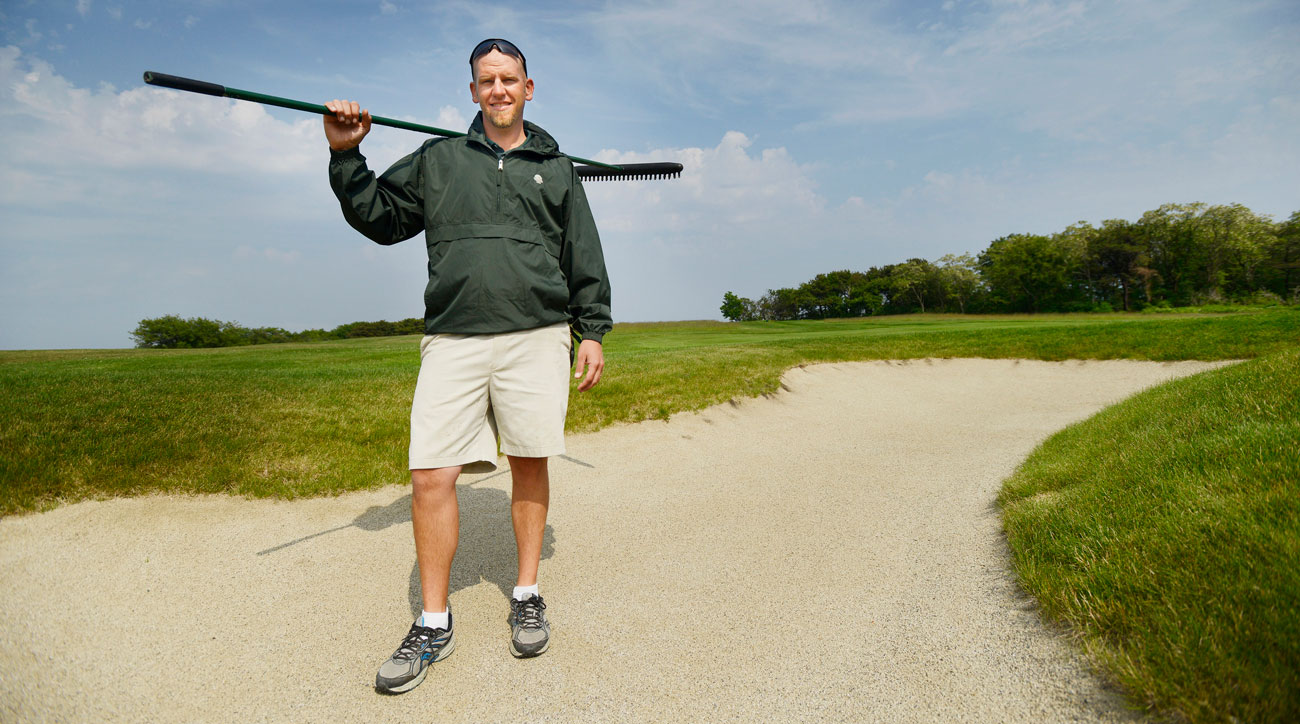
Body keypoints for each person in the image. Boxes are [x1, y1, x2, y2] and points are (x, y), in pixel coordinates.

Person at [323, 38, 611, 694]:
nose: (499, 89)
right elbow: (380, 217)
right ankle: (432, 622)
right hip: (453, 335)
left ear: (528, 88)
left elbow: (582, 255)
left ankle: (527, 592)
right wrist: (347, 154)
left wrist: (591, 330)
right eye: (487, 80)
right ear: (474, 91)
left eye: (510, 79)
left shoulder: (557, 168)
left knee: (530, 459)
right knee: (430, 474)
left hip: (538, 334)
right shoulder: (439, 158)